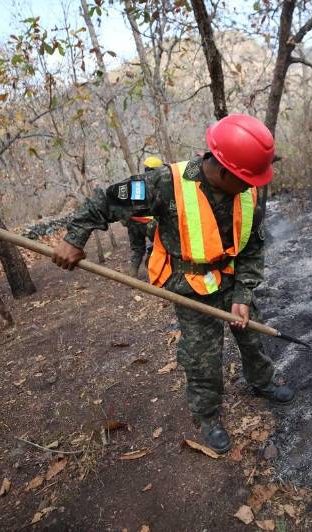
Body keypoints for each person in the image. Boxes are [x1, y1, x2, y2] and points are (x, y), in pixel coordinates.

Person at [51, 114, 295, 453]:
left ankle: (262, 382)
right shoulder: (166, 183)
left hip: (232, 279)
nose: (252, 186)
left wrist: (244, 291)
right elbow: (106, 201)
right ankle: (208, 416)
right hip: (189, 284)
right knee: (202, 357)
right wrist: (74, 237)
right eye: (246, 179)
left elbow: (253, 248)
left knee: (252, 336)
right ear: (226, 171)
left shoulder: (249, 191)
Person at [125, 156, 163, 277]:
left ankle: (132, 275)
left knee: (137, 249)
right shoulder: (158, 184)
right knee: (159, 245)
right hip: (150, 223)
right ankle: (154, 269)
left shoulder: (134, 182)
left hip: (133, 222)